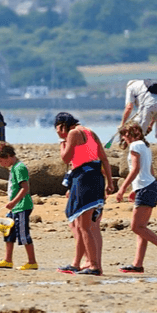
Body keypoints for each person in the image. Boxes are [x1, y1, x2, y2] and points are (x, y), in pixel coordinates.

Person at [54, 112, 114, 276]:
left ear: (61, 126)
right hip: (95, 177)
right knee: (86, 225)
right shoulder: (90, 131)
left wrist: (61, 141)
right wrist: (110, 182)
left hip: (84, 179)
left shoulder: (73, 133)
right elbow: (104, 158)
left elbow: (66, 158)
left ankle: (94, 265)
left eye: (58, 129)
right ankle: (80, 263)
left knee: (84, 226)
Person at [113, 122, 157, 273]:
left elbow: (135, 169)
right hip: (149, 186)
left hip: (147, 188)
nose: (124, 137)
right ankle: (138, 265)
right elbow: (150, 171)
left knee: (136, 227)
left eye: (125, 134)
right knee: (141, 228)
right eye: (123, 134)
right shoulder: (145, 145)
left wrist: (122, 189)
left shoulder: (135, 146)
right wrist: (137, 188)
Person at [0, 141, 38, 270]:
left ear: (8, 156)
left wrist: (13, 202)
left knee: (23, 234)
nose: (1, 165)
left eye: (1, 161)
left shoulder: (20, 168)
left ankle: (32, 261)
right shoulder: (14, 168)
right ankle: (8, 260)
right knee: (8, 232)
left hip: (22, 206)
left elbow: (25, 188)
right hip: (16, 207)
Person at [121, 79, 157, 144]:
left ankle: (135, 149)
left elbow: (129, 107)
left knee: (139, 132)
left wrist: (123, 125)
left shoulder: (130, 87)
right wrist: (150, 125)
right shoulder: (147, 84)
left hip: (148, 105)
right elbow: (156, 107)